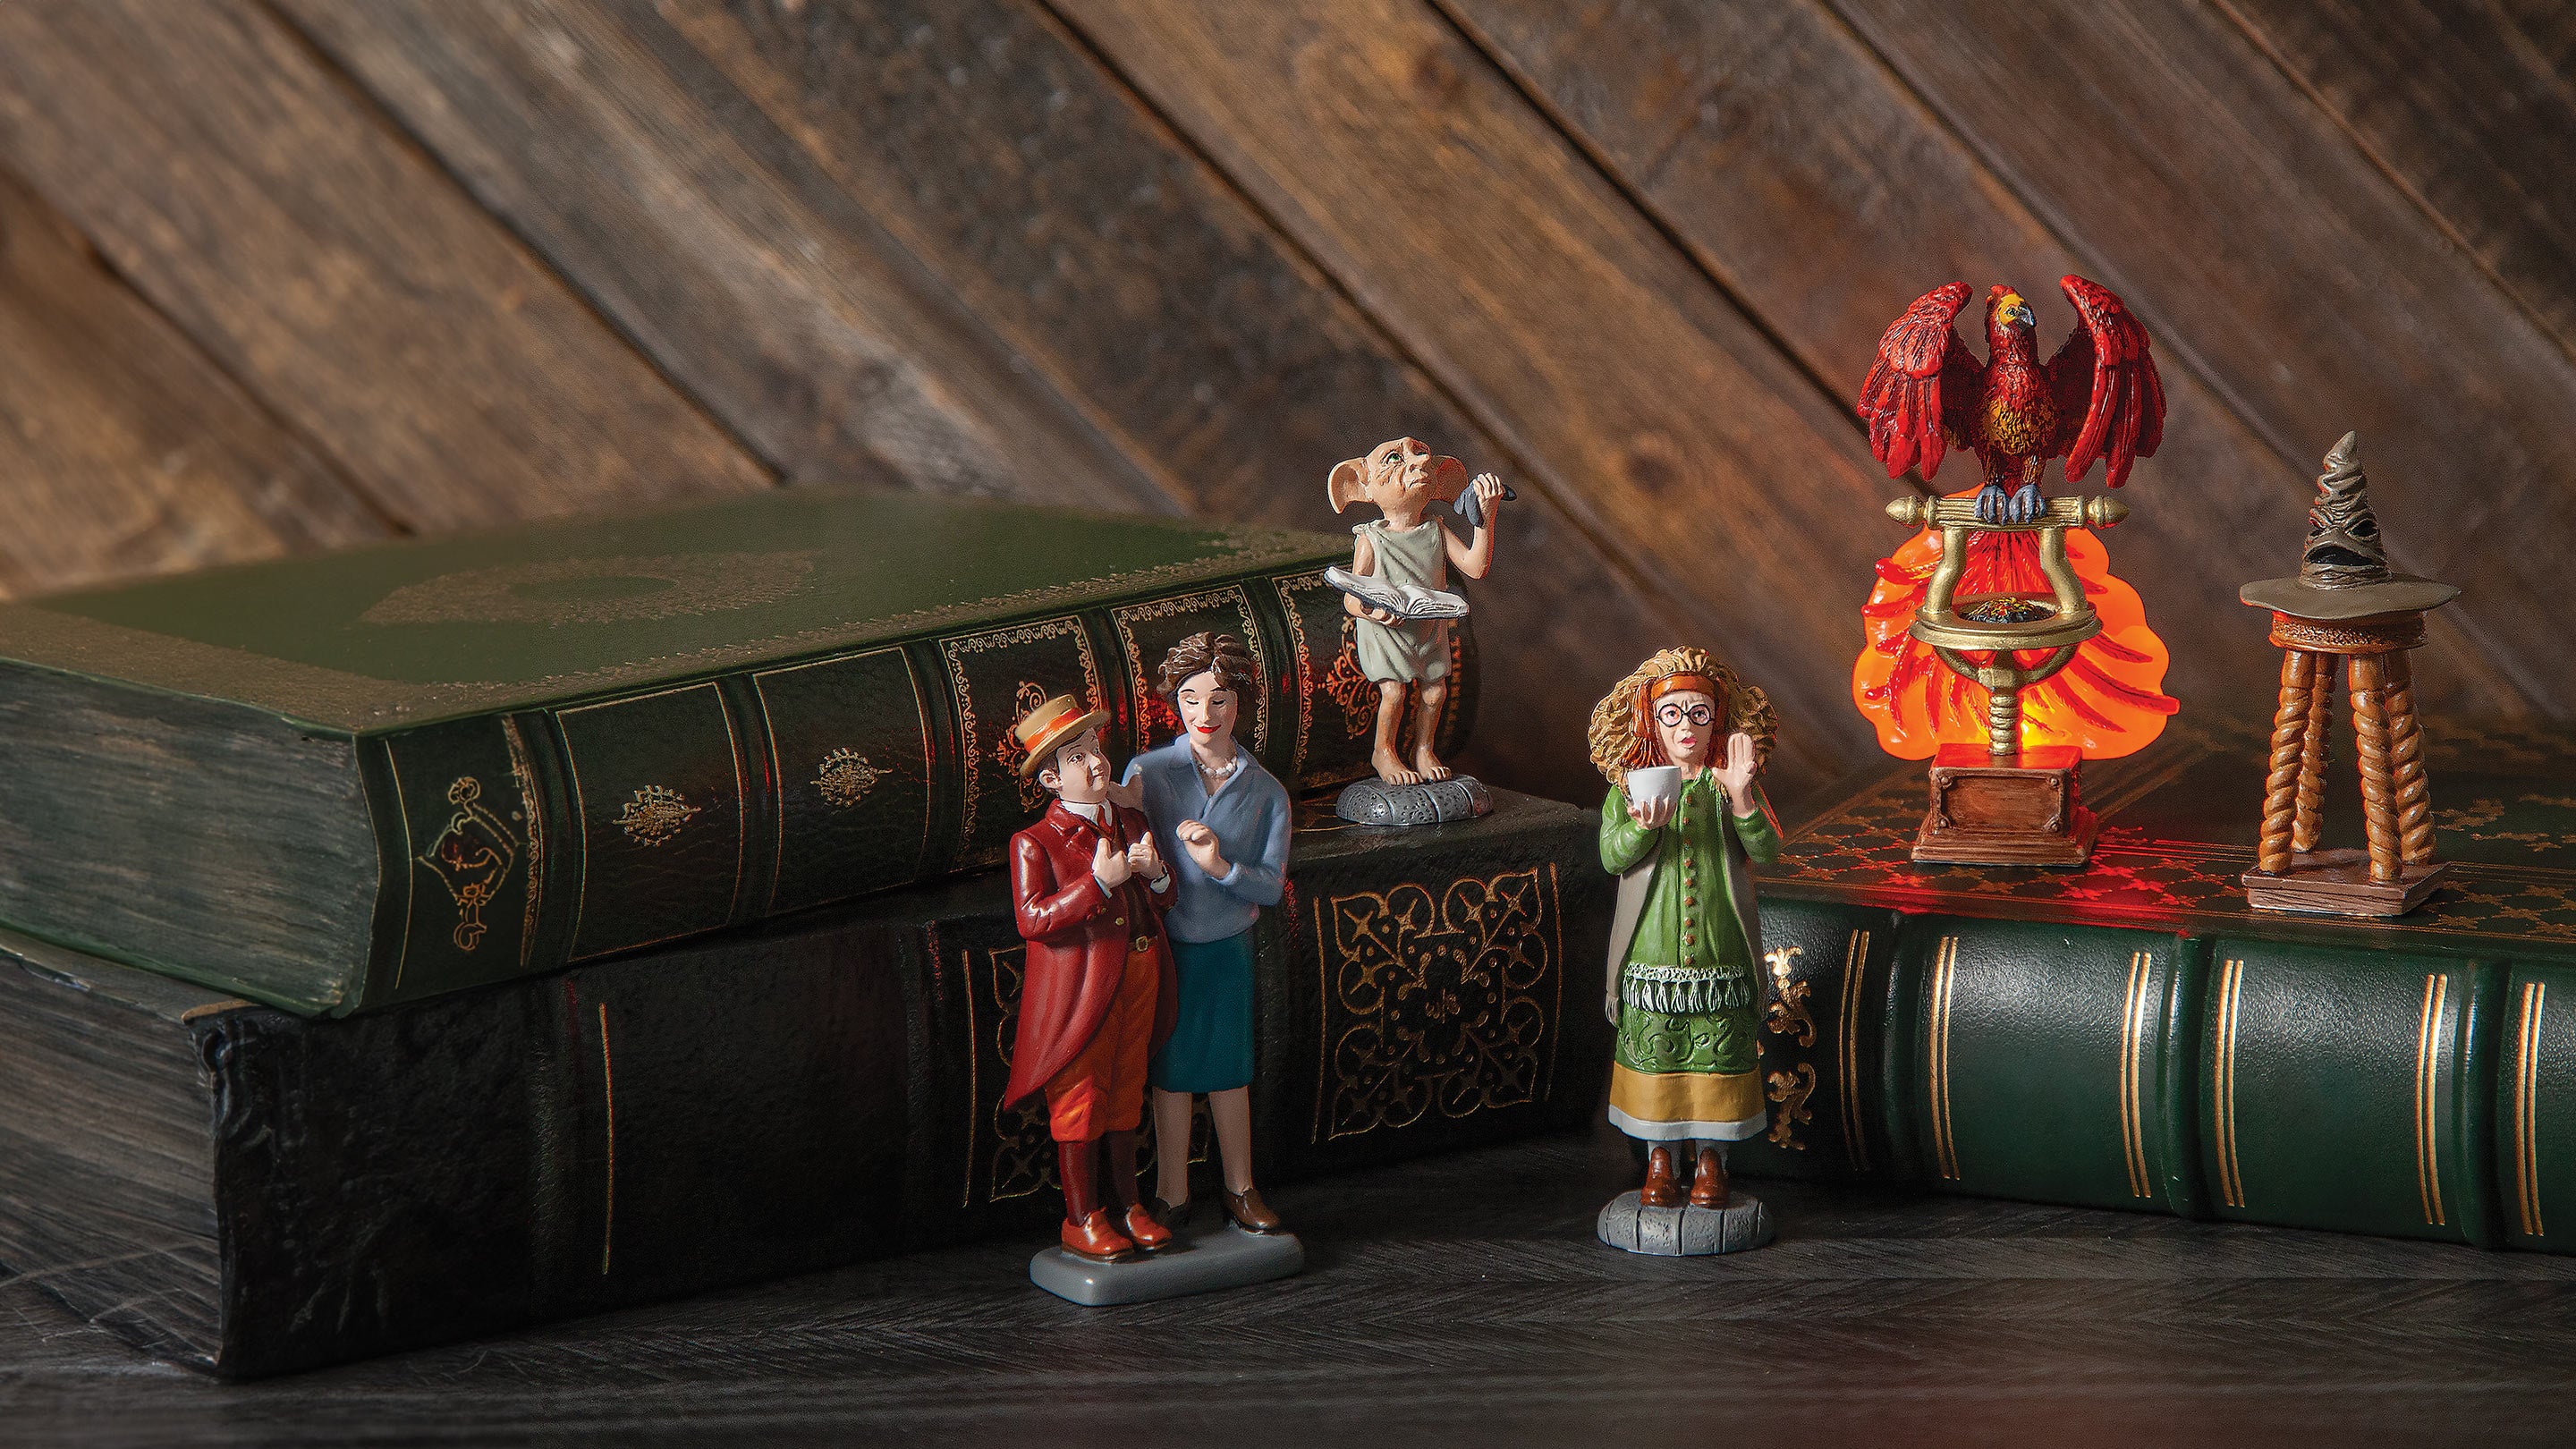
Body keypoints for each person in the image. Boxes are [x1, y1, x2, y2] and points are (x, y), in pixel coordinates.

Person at [1586, 647, 1783, 1209]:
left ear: (1718, 721)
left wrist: (1742, 796)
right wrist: (1645, 829)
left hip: (1719, 945)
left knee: (1714, 1050)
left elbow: (1766, 851)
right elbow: (1611, 856)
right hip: (1652, 947)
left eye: (1700, 714)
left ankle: (1712, 1164)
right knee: (1659, 1051)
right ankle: (1659, 1161)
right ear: (1651, 721)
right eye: (1672, 714)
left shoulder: (1726, 784)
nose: (1687, 728)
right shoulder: (1628, 787)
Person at [1118, 632, 1293, 1233]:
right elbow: (1122, 837)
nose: (1204, 715)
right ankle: (1171, 1190)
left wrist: (1220, 866)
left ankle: (1240, 1186)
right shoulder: (1151, 771)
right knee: (1170, 1072)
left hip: (1229, 949)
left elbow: (1271, 886)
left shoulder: (1265, 791)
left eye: (1219, 700)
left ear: (1240, 704)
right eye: (1191, 699)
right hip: (1168, 947)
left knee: (1230, 1072)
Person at [1001, 693, 1177, 1262]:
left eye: (1095, 749)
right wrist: (1096, 886)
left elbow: (1166, 898)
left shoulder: (1129, 820)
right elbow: (1033, 919)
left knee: (1129, 1090)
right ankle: (1083, 1215)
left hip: (1141, 970)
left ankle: (1129, 1204)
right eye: (1078, 758)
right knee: (1081, 1099)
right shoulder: (1035, 842)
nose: (1097, 763)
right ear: (1052, 777)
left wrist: (1153, 876)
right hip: (1082, 994)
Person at [1326, 436, 1507, 784]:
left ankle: (1424, 749)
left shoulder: (1436, 530)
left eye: (1420, 454)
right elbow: (1351, 597)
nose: (1416, 463)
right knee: (1393, 692)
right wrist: (1375, 612)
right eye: (1394, 459)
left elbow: (1475, 566)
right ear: (1363, 485)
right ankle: (1384, 752)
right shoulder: (1371, 539)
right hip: (1386, 631)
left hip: (1428, 627)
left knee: (1435, 692)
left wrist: (1486, 517)